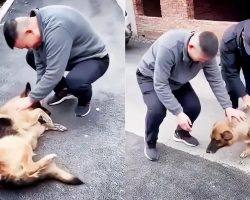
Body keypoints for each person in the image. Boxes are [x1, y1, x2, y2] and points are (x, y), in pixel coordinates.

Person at [136, 29, 246, 161]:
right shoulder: (169, 47)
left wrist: (228, 107)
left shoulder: (206, 55)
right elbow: (160, 84)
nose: (202, 63)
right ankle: (150, 142)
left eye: (205, 61)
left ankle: (180, 133)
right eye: (200, 60)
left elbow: (215, 80)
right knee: (157, 110)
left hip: (177, 81)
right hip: (151, 77)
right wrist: (178, 112)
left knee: (193, 107)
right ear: (191, 46)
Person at [3, 5, 109, 117]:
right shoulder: (37, 25)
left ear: (29, 32)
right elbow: (40, 64)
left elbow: (54, 72)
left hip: (93, 58)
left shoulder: (57, 29)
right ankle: (63, 90)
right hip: (70, 54)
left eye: (25, 46)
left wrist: (31, 98)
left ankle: (84, 101)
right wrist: (39, 95)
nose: (28, 48)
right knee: (31, 57)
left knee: (74, 82)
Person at [220, 20, 250, 109]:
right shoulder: (228, 39)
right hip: (233, 52)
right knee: (231, 88)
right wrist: (244, 97)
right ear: (243, 36)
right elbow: (230, 74)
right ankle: (232, 111)